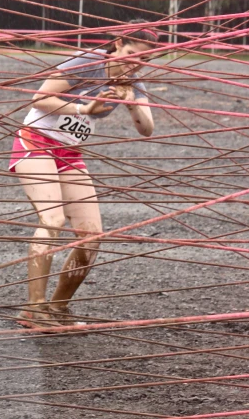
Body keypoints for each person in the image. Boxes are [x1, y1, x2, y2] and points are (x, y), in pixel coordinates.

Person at [8, 20, 159, 329]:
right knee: (52, 220)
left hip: (70, 153)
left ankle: (59, 309)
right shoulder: (89, 62)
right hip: (36, 141)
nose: (136, 63)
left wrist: (132, 104)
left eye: (144, 60)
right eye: (132, 54)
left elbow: (147, 129)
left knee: (91, 236)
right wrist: (84, 109)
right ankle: (34, 309)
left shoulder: (134, 81)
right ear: (117, 43)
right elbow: (39, 98)